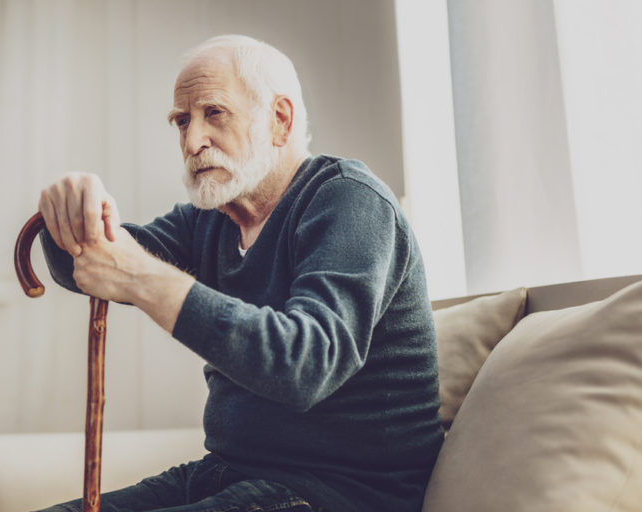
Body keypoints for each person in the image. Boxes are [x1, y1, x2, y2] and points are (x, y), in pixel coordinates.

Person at [37, 34, 444, 512]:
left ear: (280, 120)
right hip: (232, 473)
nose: (192, 142)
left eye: (214, 113)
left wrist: (142, 277)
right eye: (182, 121)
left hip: (341, 493)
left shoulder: (350, 201)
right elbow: (92, 263)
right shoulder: (211, 218)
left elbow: (306, 366)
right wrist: (68, 212)